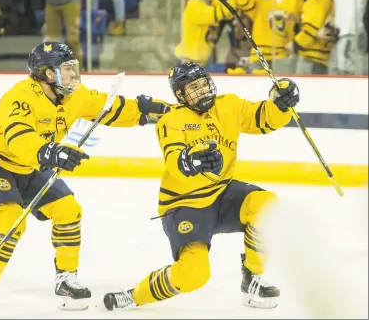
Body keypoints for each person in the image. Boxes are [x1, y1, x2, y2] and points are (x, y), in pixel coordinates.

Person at [0, 41, 170, 319]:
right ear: (48, 74)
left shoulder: (75, 95)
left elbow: (110, 108)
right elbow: (19, 137)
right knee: (11, 219)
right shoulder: (21, 97)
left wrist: (148, 111)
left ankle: (66, 279)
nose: (73, 74)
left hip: (32, 164)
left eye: (73, 67)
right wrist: (51, 152)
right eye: (66, 69)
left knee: (69, 210)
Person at [102, 62, 300, 311]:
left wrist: (281, 103)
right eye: (193, 88)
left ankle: (253, 279)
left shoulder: (229, 105)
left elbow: (263, 119)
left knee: (266, 205)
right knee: (195, 274)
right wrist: (191, 159)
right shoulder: (171, 119)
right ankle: (134, 295)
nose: (202, 91)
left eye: (203, 84)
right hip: (184, 204)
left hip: (221, 193)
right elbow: (174, 159)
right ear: (180, 95)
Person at [224, 0, 304, 74]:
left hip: (284, 55)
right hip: (259, 55)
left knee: (284, 89)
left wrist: (294, 20)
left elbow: (303, 22)